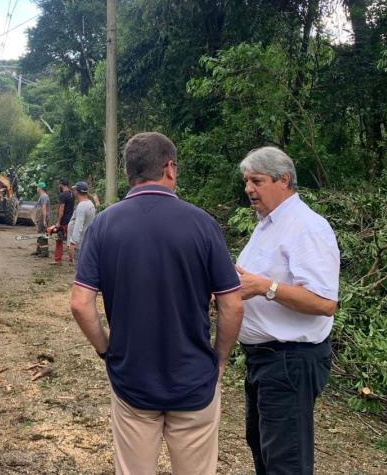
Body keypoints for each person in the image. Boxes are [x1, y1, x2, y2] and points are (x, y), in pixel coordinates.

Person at [70, 132, 244, 475]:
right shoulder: (203, 224)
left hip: (132, 378)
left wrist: (107, 349)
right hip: (194, 380)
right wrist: (219, 360)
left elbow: (80, 303)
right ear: (170, 168)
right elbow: (233, 305)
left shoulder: (104, 225)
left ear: (128, 174)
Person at [234, 146, 340, 475]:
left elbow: (324, 302)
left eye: (257, 181)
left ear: (284, 180)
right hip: (263, 360)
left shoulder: (307, 227)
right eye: (246, 181)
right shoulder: (267, 224)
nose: (249, 188)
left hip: (289, 360)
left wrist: (266, 288)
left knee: (286, 462)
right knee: (264, 449)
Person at [66, 181, 95, 268]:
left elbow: (78, 226)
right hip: (86, 241)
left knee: (79, 270)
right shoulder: (90, 203)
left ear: (77, 191)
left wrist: (72, 243)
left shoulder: (82, 206)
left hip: (79, 245)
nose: (74, 191)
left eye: (74, 189)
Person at [49, 178, 75, 265]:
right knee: (71, 240)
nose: (58, 186)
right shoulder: (72, 194)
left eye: (59, 185)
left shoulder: (62, 195)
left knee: (59, 240)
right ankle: (72, 260)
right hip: (71, 220)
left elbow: (61, 210)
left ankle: (58, 260)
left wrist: (58, 222)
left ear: (62, 185)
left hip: (63, 222)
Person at [33, 182, 51, 257]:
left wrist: (44, 220)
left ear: (40, 188)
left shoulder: (43, 196)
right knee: (39, 233)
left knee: (42, 234)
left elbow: (44, 208)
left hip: (42, 218)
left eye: (37, 187)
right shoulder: (42, 196)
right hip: (40, 217)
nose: (36, 189)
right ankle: (39, 250)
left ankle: (44, 252)